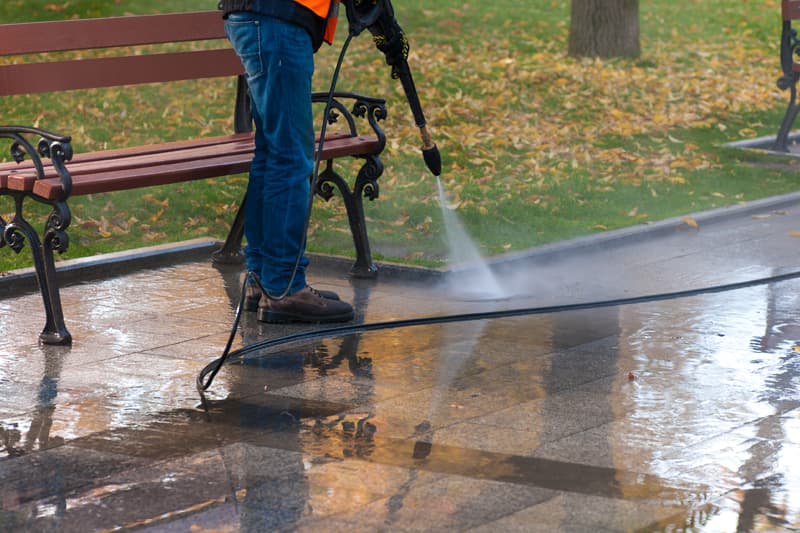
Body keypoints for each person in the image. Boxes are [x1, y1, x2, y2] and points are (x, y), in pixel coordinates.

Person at [219, 0, 354, 323]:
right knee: (291, 159)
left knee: (272, 155)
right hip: (276, 19)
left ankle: (263, 279)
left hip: (260, 16)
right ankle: (285, 289)